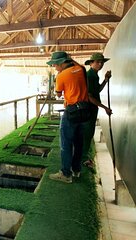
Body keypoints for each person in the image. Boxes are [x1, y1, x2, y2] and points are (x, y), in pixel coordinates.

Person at [46, 51, 90, 183]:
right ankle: (76, 170)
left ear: (61, 62)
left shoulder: (61, 76)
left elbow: (58, 94)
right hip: (84, 111)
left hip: (71, 111)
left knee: (66, 143)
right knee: (78, 142)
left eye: (55, 64)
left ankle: (66, 174)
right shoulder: (81, 69)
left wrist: (58, 79)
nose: (54, 66)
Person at [82, 53, 112, 168]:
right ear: (91, 63)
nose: (101, 64)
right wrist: (105, 108)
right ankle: (84, 158)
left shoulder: (95, 75)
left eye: (102, 62)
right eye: (98, 62)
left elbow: (97, 91)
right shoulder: (89, 75)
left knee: (89, 133)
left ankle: (85, 157)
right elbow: (90, 97)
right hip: (88, 109)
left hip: (93, 109)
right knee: (87, 133)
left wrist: (105, 79)